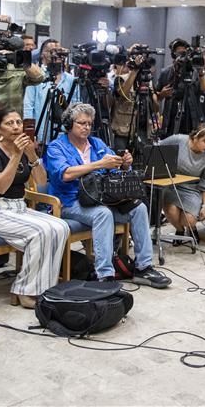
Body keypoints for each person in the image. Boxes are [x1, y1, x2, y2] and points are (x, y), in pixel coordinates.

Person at [45, 103, 170, 287]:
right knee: (102, 213)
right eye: (81, 123)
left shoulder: (97, 144)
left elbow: (114, 170)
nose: (86, 127)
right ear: (69, 124)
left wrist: (124, 163)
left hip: (101, 199)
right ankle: (105, 276)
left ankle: (144, 267)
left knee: (139, 208)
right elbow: (65, 174)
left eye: (89, 123)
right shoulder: (56, 147)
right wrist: (99, 165)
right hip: (70, 202)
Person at [0, 108, 70, 308]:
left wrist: (32, 154)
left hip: (19, 207)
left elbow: (42, 181)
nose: (16, 127)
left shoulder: (24, 150)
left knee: (61, 227)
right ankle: (24, 290)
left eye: (19, 122)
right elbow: (0, 187)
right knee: (41, 232)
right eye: (10, 123)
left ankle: (43, 287)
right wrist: (17, 155)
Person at [159, 125, 205, 240]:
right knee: (171, 211)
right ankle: (179, 232)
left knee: (188, 220)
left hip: (192, 188)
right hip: (172, 185)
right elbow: (158, 148)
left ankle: (192, 227)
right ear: (195, 137)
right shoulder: (179, 140)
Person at [23, 39, 78, 145]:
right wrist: (29, 136)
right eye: (52, 51)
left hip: (64, 136)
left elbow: (75, 107)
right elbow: (28, 106)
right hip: (40, 135)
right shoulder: (36, 77)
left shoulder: (71, 80)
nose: (56, 54)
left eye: (59, 51)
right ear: (43, 54)